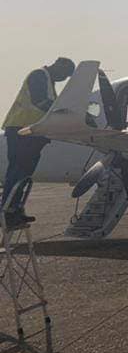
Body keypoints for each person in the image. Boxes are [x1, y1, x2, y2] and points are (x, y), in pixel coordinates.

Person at [2, 57, 75, 228]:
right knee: (18, 171)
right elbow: (40, 102)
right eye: (64, 74)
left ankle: (16, 210)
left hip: (32, 132)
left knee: (25, 173)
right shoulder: (39, 75)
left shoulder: (49, 82)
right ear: (58, 65)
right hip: (21, 129)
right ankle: (7, 211)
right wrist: (65, 114)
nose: (63, 79)